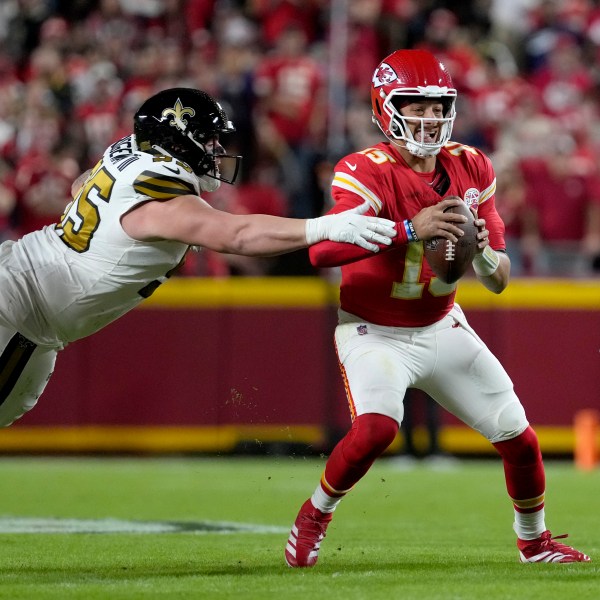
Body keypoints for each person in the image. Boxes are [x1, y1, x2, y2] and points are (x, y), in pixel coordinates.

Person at [284, 50, 591, 567]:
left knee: (519, 437)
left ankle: (535, 543)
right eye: (413, 104)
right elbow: (322, 251)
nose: (427, 118)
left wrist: (479, 248)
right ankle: (314, 514)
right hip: (373, 330)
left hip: (442, 324)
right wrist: (409, 229)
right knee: (378, 428)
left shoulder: (471, 165)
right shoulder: (365, 169)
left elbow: (499, 281)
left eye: (436, 106)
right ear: (385, 107)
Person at [0, 87, 398, 428]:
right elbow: (237, 235)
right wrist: (323, 227)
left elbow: (79, 186)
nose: (218, 150)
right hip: (22, 310)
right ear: (177, 141)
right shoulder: (163, 195)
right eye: (208, 139)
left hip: (24, 287)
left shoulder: (128, 154)